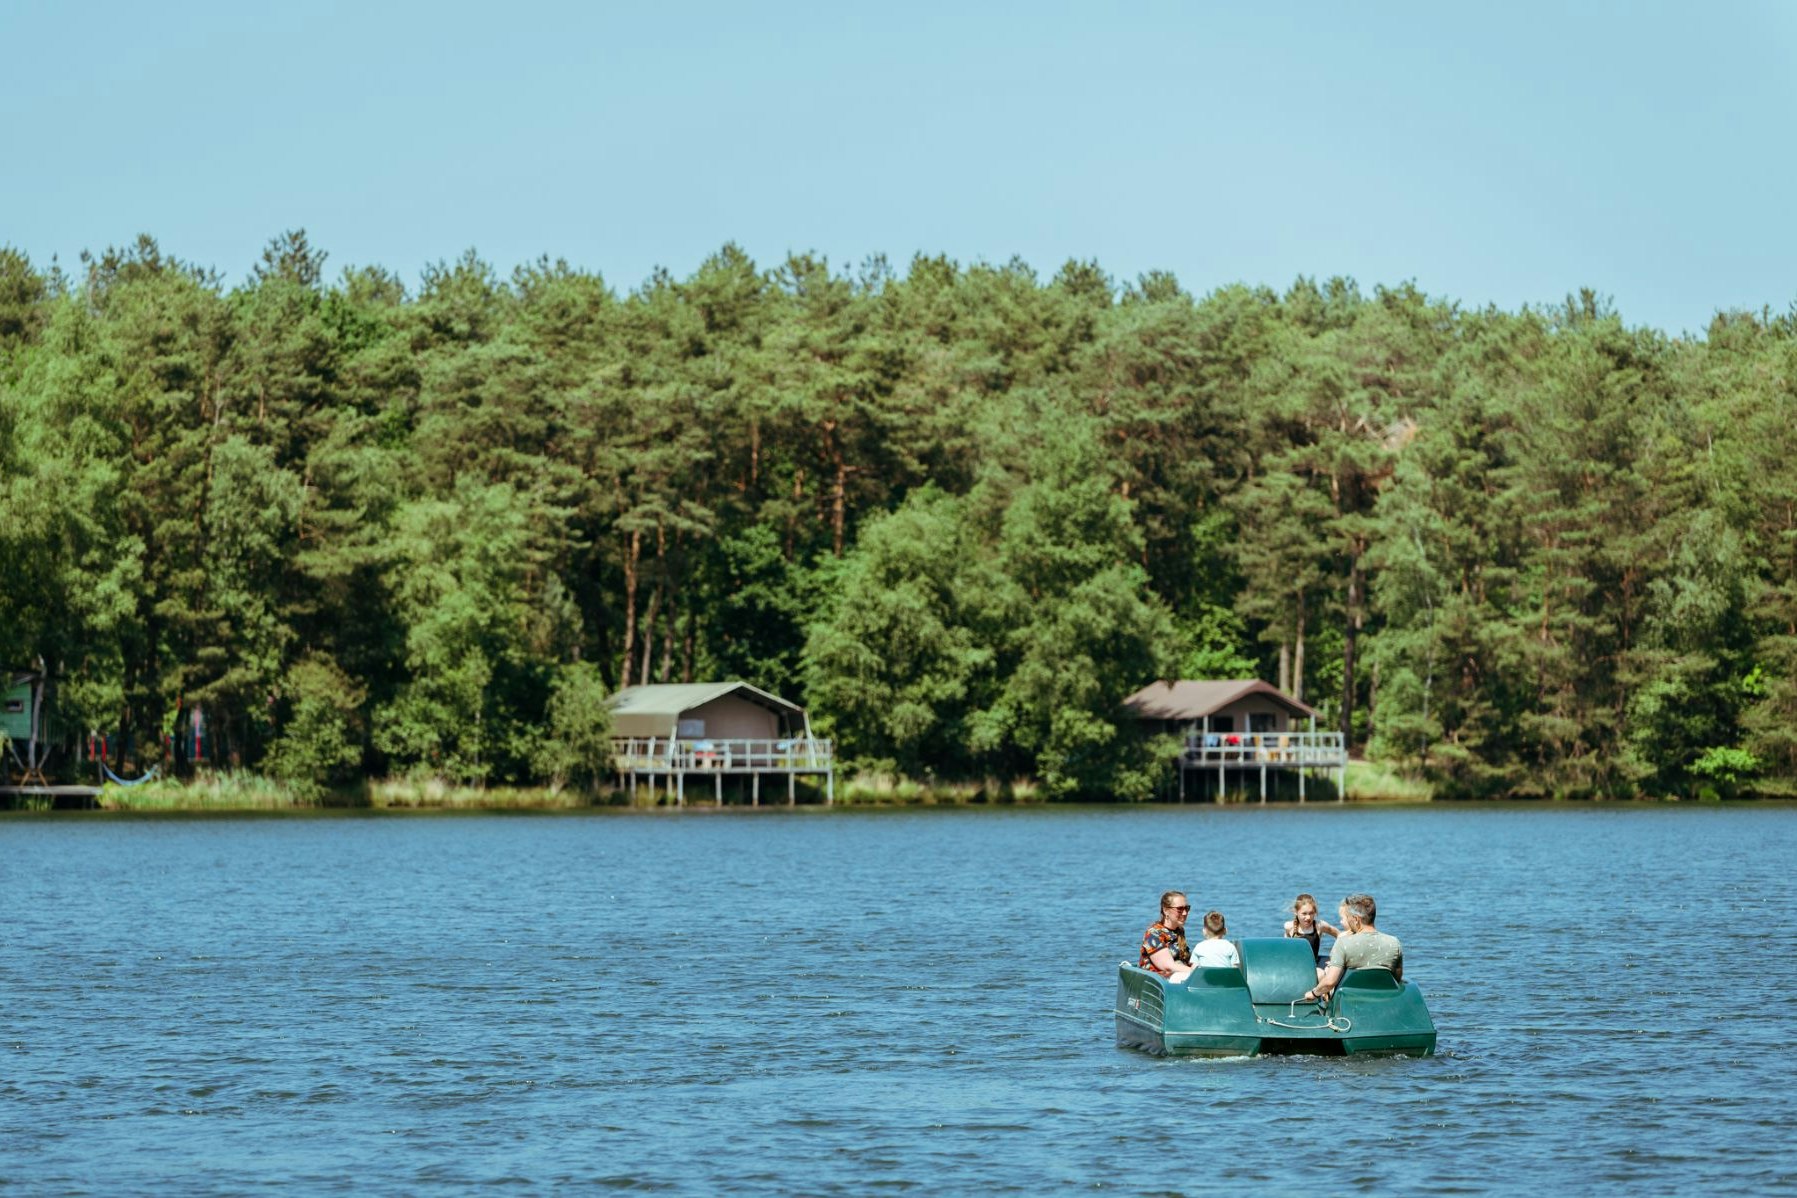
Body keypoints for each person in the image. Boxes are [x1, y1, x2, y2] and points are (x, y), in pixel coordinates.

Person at [1304, 893, 1402, 1004]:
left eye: (1348, 917)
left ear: (1355, 919)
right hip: (1384, 1001)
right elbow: (1396, 979)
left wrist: (1313, 993)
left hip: (1352, 1003)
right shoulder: (1394, 942)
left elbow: (1329, 982)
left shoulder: (1343, 943)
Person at [1170, 910, 1240, 980]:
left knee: (1175, 977)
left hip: (1204, 985)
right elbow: (1235, 971)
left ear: (1204, 931)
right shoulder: (1230, 947)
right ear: (1225, 931)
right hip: (1225, 984)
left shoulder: (1199, 947)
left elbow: (1193, 971)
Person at [1139, 891, 1193, 977]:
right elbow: (1168, 966)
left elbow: (1186, 960)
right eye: (1180, 909)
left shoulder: (1179, 931)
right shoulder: (1153, 934)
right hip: (1159, 982)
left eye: (1187, 908)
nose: (1185, 913)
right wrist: (1197, 973)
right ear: (1166, 910)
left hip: (1180, 978)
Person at [1283, 893, 1341, 971]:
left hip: (1312, 967)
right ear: (1296, 912)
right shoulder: (1289, 927)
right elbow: (1286, 948)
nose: (1308, 917)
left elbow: (1339, 935)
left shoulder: (1319, 926)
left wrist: (1335, 954)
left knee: (1322, 972)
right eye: (1304, 914)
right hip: (1295, 967)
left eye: (1311, 913)